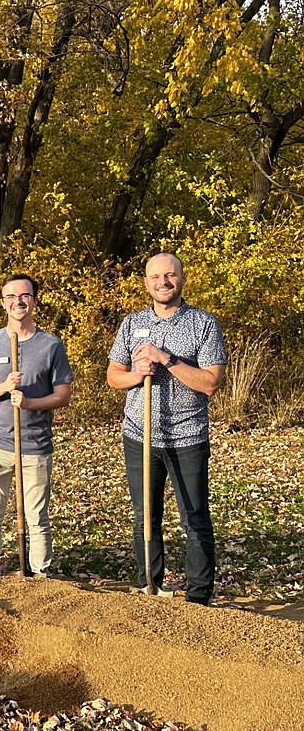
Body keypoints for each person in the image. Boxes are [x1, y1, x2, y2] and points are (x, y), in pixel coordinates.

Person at [106, 252, 226, 605]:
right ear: (146, 282)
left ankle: (198, 598)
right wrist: (136, 375)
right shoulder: (131, 324)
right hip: (140, 435)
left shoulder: (203, 324)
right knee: (146, 516)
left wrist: (167, 360)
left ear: (182, 279)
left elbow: (210, 383)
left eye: (170, 276)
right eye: (156, 277)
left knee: (195, 517)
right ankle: (149, 587)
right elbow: (114, 376)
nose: (163, 282)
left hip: (187, 436)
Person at [0, 274, 73, 577]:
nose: (18, 302)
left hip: (35, 445)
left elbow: (63, 395)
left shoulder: (51, 345)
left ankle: (39, 574)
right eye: (11, 297)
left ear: (34, 300)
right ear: (3, 303)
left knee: (37, 516)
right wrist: (4, 387)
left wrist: (29, 403)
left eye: (25, 296)